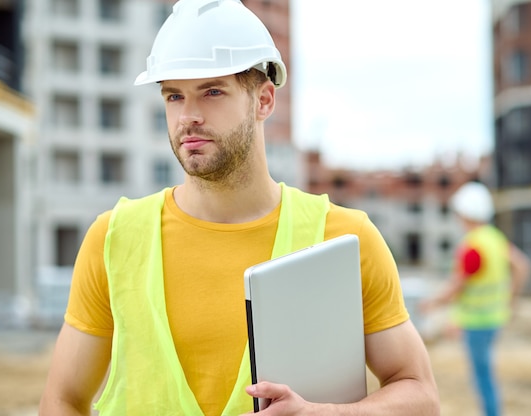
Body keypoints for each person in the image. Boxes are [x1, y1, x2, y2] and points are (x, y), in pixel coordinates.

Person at [39, 1, 439, 415]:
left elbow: (420, 396)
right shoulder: (113, 239)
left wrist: (325, 414)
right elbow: (62, 400)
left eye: (212, 91)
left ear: (264, 100)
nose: (188, 116)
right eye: (174, 96)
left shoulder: (341, 238)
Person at [420, 181, 530, 416]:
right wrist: (511, 301)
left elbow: (457, 286)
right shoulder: (495, 238)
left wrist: (432, 304)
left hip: (477, 322)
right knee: (486, 373)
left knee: (483, 377)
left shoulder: (472, 247)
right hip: (495, 318)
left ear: (465, 214)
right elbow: (521, 266)